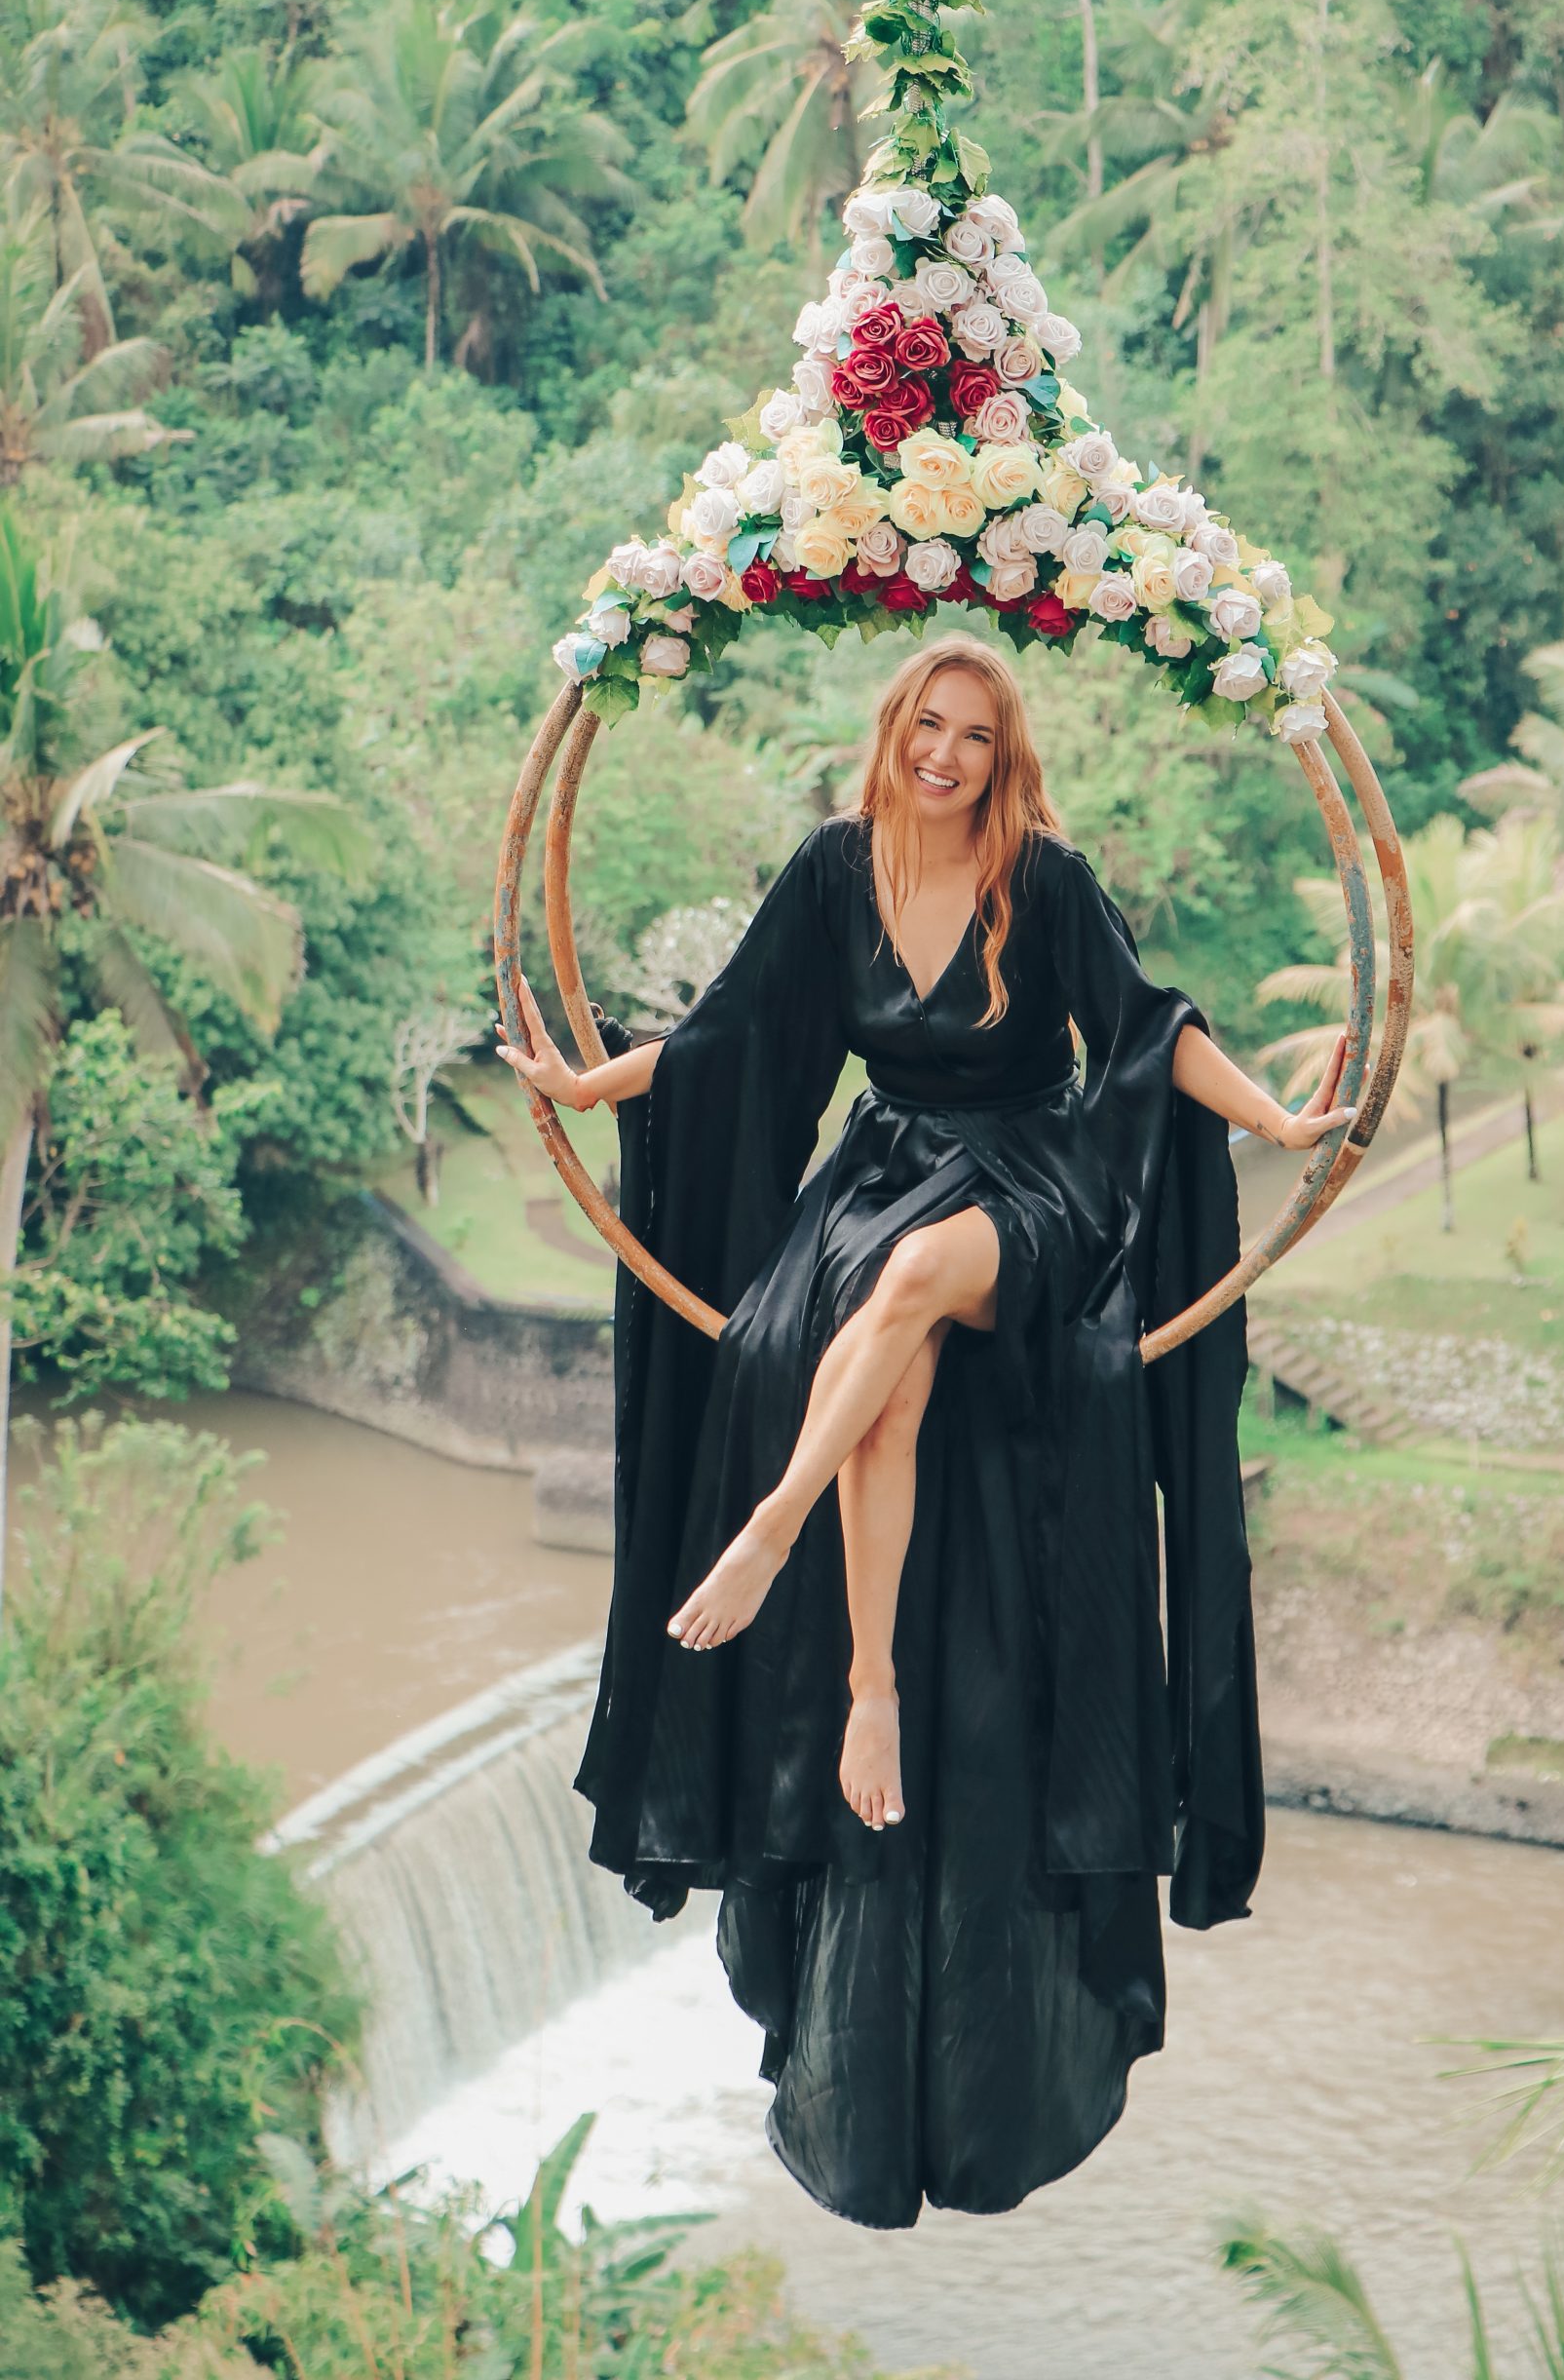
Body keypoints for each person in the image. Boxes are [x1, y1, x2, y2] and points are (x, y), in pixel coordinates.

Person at [498, 633, 1352, 2230]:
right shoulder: (835, 870)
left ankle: (767, 1531)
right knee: (865, 1354)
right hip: (881, 1170)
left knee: (891, 1297)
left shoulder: (1046, 874)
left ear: (1001, 751)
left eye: (973, 733)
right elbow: (727, 1039)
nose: (946, 755)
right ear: (893, 732)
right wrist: (587, 1076)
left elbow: (1153, 1032)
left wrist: (1286, 1123)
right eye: (926, 728)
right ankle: (869, 1697)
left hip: (1028, 1188)